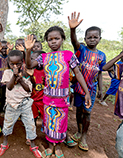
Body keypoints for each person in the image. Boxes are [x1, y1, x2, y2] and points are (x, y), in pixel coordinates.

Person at [25, 27, 91, 157]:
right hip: (48, 98)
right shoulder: (43, 57)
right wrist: (28, 51)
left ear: (62, 39)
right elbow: (29, 65)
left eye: (57, 38)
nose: (53, 42)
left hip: (63, 98)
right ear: (46, 42)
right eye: (50, 39)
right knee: (49, 122)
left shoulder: (68, 55)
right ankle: (50, 146)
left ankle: (59, 145)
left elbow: (77, 73)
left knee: (61, 122)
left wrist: (87, 92)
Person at [68, 12, 106, 151]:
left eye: (95, 37)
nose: (92, 39)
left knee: (87, 113)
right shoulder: (82, 49)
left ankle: (84, 136)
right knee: (78, 111)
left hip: (91, 89)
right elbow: (74, 42)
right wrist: (72, 29)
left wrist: (101, 89)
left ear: (99, 39)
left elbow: (100, 73)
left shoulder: (102, 55)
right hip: (78, 88)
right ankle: (78, 131)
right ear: (85, 38)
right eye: (89, 37)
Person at [0, 50, 42, 158]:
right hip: (11, 104)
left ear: (22, 62)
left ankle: (33, 145)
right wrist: (14, 76)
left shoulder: (27, 73)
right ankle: (4, 144)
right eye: (12, 64)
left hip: (25, 104)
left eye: (18, 63)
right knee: (7, 125)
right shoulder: (7, 73)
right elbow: (9, 87)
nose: (15, 66)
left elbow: (28, 90)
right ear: (8, 63)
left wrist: (21, 79)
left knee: (30, 126)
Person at [101, 51, 123, 158]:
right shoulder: (120, 67)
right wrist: (119, 56)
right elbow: (105, 68)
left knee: (120, 142)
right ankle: (102, 100)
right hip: (116, 82)